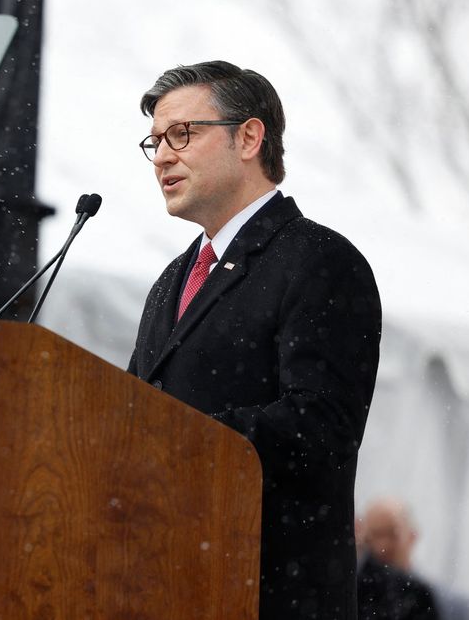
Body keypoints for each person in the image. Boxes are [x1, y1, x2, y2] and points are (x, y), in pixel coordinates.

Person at [127, 61, 382, 619]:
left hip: (268, 592)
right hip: (166, 587)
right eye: (154, 142)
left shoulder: (319, 261)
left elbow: (321, 427)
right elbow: (129, 416)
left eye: (182, 134)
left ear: (248, 137)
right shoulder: (171, 281)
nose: (163, 156)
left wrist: (176, 439)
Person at [362, 498, 469, 620]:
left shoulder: (454, 606)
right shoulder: (356, 596)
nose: (382, 546)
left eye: (392, 534)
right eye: (374, 536)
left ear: (412, 535)